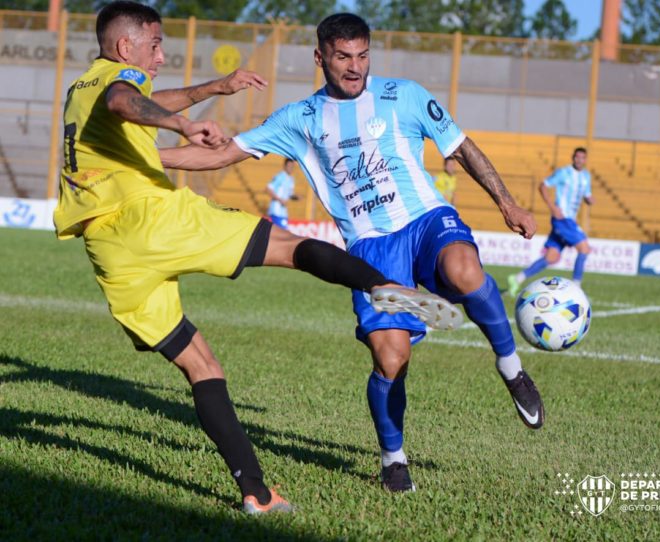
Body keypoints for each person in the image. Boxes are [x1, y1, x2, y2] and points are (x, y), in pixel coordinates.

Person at [54, 2, 460, 514]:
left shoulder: (80, 86)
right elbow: (123, 100)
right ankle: (385, 286)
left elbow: (134, 98)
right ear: (125, 47)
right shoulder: (117, 80)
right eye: (156, 44)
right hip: (151, 219)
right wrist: (181, 125)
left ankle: (257, 494)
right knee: (289, 247)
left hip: (109, 252)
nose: (161, 55)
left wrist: (211, 89)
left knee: (200, 365)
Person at [160, 12, 543, 494]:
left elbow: (462, 147)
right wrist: (152, 158)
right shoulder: (298, 119)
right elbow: (221, 154)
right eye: (343, 56)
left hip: (424, 218)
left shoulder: (402, 94)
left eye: (362, 55)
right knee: (390, 358)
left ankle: (511, 369)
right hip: (370, 245)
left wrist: (507, 202)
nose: (355, 66)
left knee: (464, 271)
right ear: (320, 57)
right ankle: (393, 457)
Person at [508, 147, 593, 296]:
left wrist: (589, 199)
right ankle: (576, 289)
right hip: (562, 219)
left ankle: (516, 278)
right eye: (577, 157)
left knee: (551, 257)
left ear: (585, 160)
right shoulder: (563, 173)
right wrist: (553, 207)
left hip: (569, 219)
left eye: (582, 158)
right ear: (573, 158)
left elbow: (587, 194)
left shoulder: (586, 176)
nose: (579, 160)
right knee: (584, 249)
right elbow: (543, 186)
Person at [266, 158, 298, 229]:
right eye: (289, 166)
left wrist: (296, 197)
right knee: (281, 233)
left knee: (282, 233)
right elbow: (268, 189)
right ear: (285, 166)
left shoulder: (291, 179)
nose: (291, 168)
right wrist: (280, 200)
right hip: (276, 211)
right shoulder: (280, 176)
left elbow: (290, 194)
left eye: (292, 166)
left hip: (283, 212)